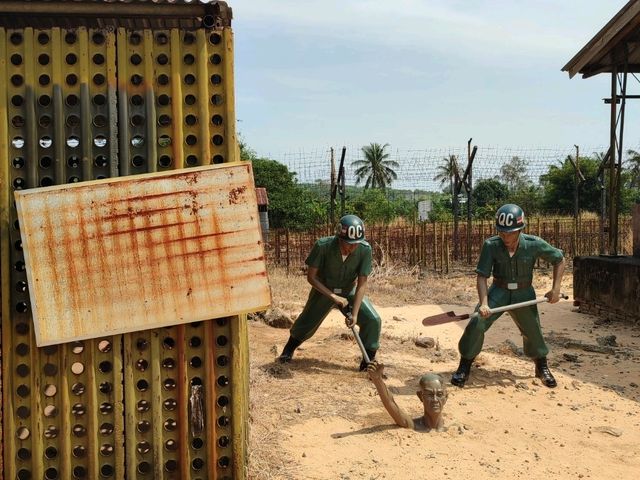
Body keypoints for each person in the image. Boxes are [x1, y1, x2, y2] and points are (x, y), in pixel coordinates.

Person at [451, 204, 566, 389]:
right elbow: (482, 276)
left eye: (510, 233)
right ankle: (465, 364)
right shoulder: (491, 245)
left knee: (533, 330)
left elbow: (559, 260)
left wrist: (556, 289)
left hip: (524, 292)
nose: (505, 237)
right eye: (502, 232)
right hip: (499, 291)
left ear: (520, 229)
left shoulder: (534, 244)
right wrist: (484, 303)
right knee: (477, 322)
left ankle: (541, 366)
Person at [278, 214, 381, 370]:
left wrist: (354, 314)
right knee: (307, 321)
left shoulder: (365, 250)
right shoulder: (322, 246)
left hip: (349, 290)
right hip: (324, 289)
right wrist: (333, 297)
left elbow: (362, 284)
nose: (352, 248)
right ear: (339, 237)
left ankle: (368, 363)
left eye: (356, 244)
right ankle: (288, 350)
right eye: (348, 243)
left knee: (373, 320)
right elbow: (311, 278)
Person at [367, 362, 448, 432]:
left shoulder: (455, 428)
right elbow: (390, 403)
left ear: (446, 397)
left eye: (439, 394)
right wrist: (378, 380)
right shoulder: (414, 425)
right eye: (429, 395)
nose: (435, 399)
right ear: (420, 396)